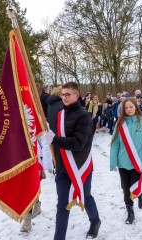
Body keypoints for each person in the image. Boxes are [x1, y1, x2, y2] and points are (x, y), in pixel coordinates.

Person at [43, 82, 101, 240]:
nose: (64, 97)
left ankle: (95, 221)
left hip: (80, 166)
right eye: (63, 94)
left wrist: (54, 139)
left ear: (77, 95)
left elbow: (78, 143)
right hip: (62, 167)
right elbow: (57, 138)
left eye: (68, 94)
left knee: (85, 197)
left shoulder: (84, 116)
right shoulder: (60, 114)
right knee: (62, 205)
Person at [110, 98, 142, 225]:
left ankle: (140, 194)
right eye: (126, 107)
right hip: (122, 163)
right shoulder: (119, 124)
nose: (128, 109)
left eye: (131, 107)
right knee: (125, 188)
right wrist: (113, 161)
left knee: (134, 187)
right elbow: (115, 144)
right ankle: (130, 212)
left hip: (137, 163)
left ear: (136, 107)